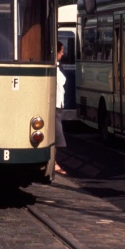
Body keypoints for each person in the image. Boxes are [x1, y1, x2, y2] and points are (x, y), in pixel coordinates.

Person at [54, 42, 68, 176]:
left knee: (57, 137)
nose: (63, 53)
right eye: (61, 51)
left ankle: (53, 162)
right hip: (54, 107)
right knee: (58, 137)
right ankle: (53, 163)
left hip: (59, 106)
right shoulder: (53, 67)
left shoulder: (58, 67)